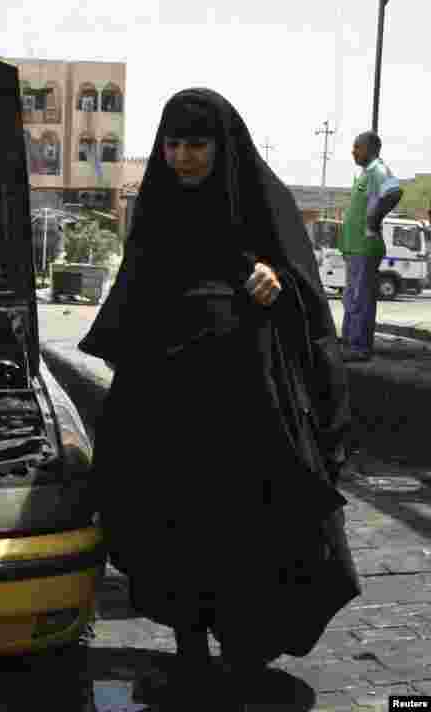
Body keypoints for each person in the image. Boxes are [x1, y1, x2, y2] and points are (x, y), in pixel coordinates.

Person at [77, 89, 360, 706]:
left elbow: (307, 301)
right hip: (168, 404)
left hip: (245, 407)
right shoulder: (155, 202)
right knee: (172, 527)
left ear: (221, 145)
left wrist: (275, 279)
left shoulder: (263, 200)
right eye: (171, 144)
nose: (181, 157)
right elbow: (135, 290)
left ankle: (242, 658)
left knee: (245, 529)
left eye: (195, 145)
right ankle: (190, 655)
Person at [339, 131, 403, 362]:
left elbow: (394, 191)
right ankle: (348, 343)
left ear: (370, 148)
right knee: (352, 298)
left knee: (361, 298)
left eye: (357, 147)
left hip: (365, 248)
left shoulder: (377, 169)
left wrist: (373, 220)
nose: (353, 151)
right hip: (354, 249)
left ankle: (359, 347)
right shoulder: (367, 173)